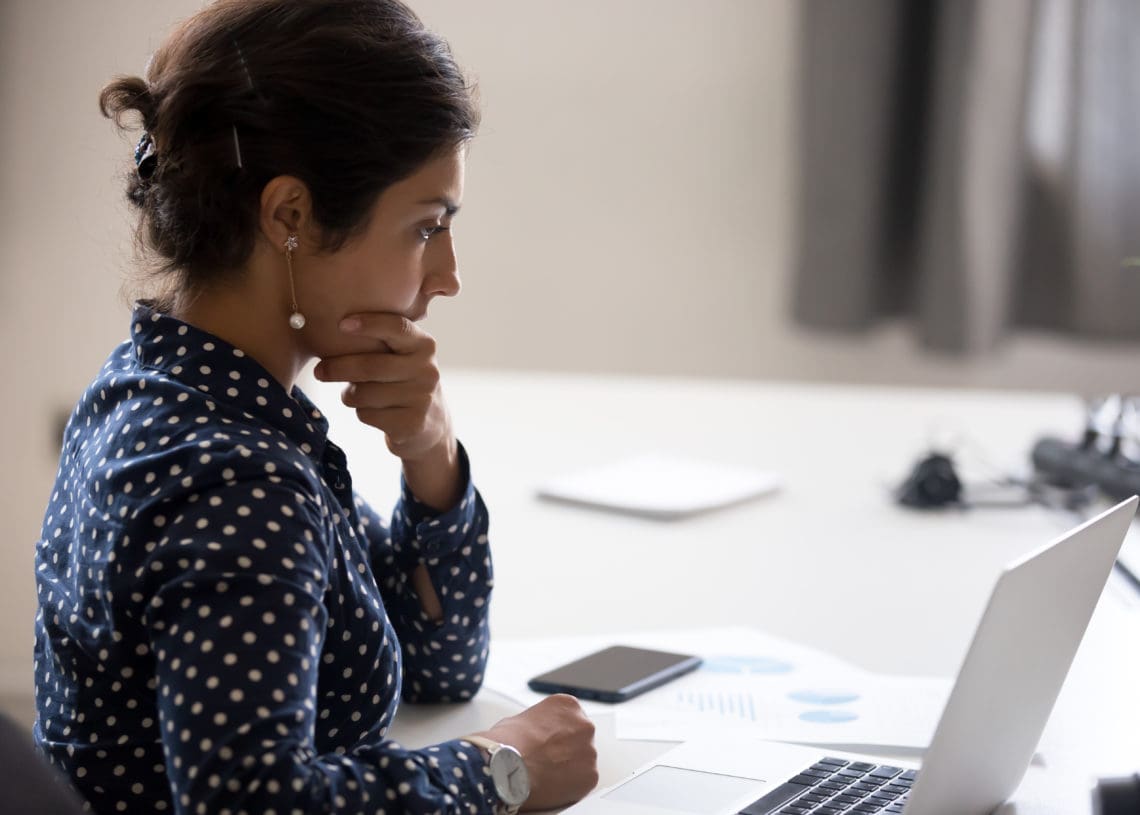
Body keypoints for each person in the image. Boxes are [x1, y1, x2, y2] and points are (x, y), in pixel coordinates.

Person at [32, 1, 598, 812]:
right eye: (426, 227)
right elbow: (254, 802)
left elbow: (439, 664)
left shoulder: (163, 383)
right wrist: (501, 769)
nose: (448, 276)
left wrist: (430, 452)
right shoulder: (236, 480)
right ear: (289, 216)